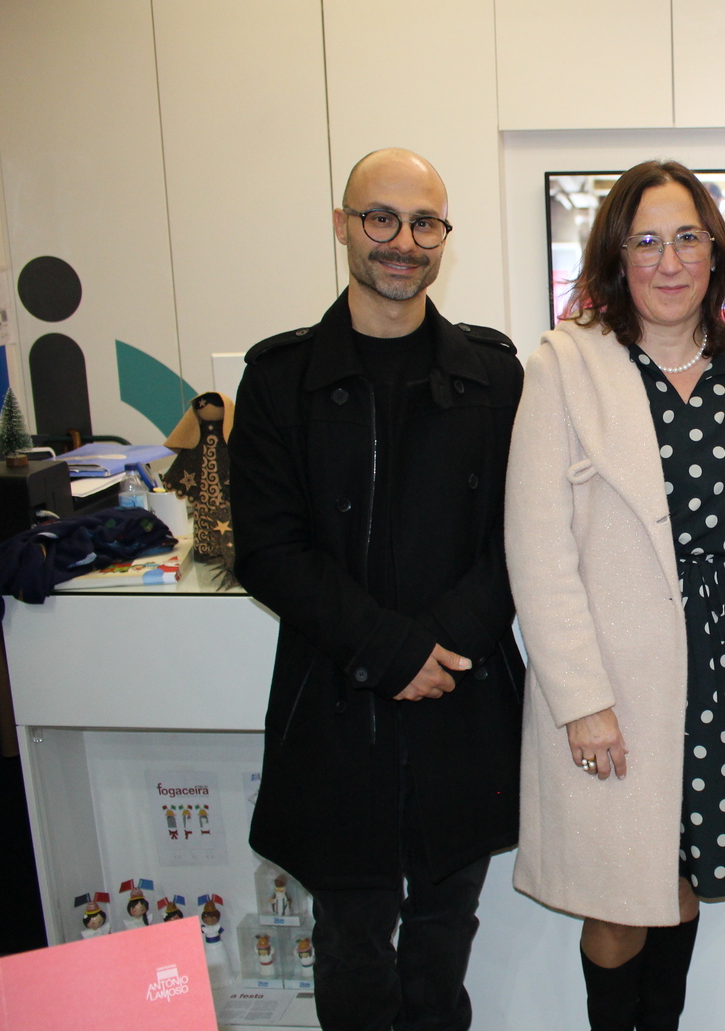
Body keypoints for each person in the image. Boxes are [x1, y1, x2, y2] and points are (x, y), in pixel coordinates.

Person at [229, 148, 524, 1031]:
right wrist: (394, 651)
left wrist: (441, 646)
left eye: (424, 223)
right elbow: (268, 550)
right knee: (352, 945)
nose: (402, 241)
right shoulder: (279, 379)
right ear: (342, 226)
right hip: (337, 701)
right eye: (381, 218)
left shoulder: (494, 376)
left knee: (444, 934)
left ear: (444, 237)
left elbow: (524, 537)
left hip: (461, 694)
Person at [505, 159, 725, 1031]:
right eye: (645, 242)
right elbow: (537, 547)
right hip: (614, 686)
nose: (669, 262)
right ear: (616, 256)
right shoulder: (566, 366)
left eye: (686, 239)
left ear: (714, 251)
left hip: (723, 671)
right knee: (618, 899)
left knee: (686, 878)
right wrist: (580, 699)